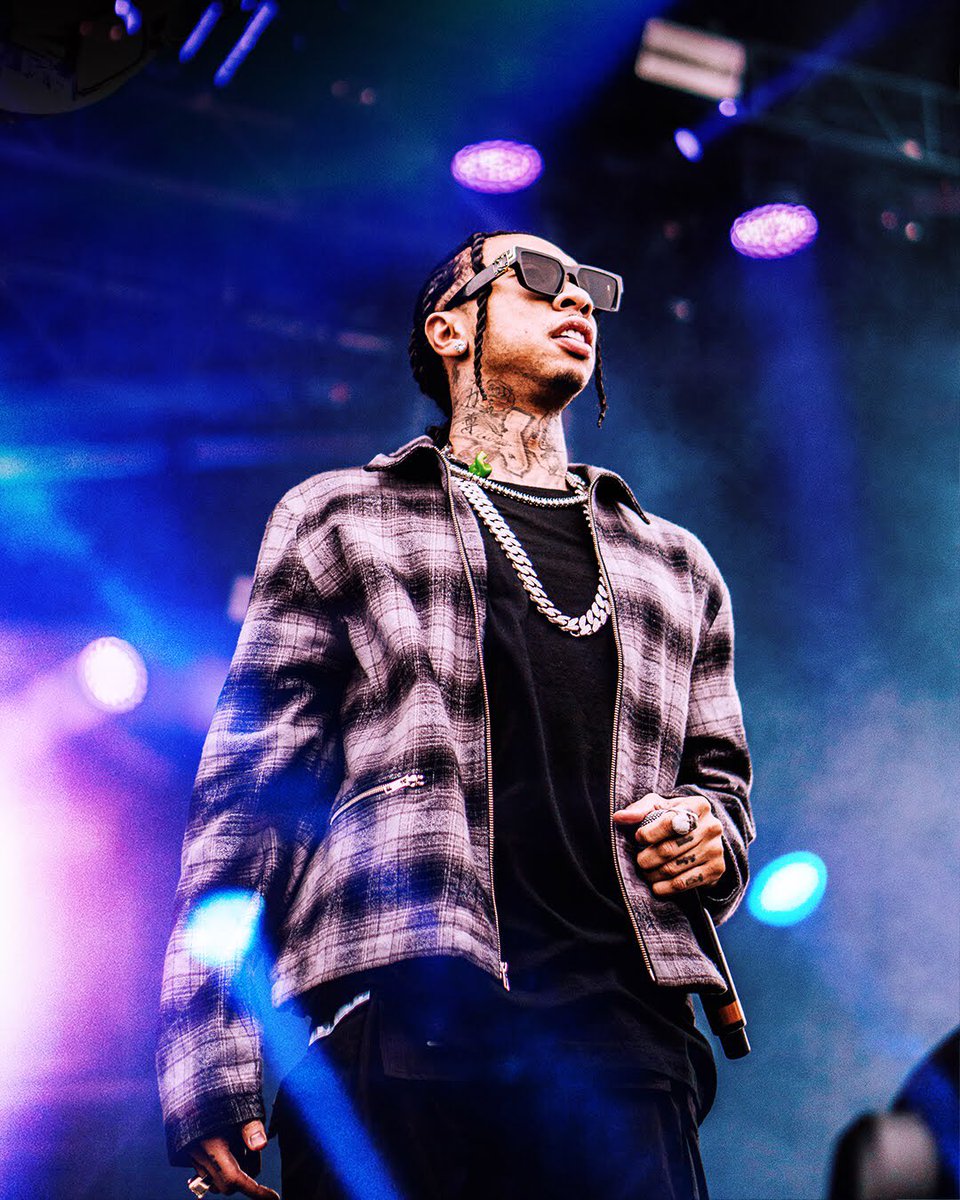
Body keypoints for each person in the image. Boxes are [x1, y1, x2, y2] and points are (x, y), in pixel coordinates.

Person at [157, 230, 755, 1200]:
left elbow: (721, 789)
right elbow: (245, 804)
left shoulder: (676, 566)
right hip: (401, 1034)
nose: (578, 301)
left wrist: (708, 834)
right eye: (540, 279)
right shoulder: (341, 519)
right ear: (450, 330)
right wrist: (208, 1060)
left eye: (590, 286)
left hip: (627, 1057)